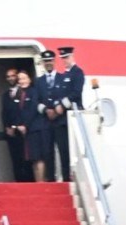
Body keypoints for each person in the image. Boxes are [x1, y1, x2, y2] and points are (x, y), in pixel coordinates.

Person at [46, 45, 85, 181]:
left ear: (72, 57)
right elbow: (56, 94)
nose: (65, 60)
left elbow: (76, 93)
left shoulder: (77, 73)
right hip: (61, 120)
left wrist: (62, 105)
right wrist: (57, 105)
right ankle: (66, 178)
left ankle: (73, 177)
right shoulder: (63, 76)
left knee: (73, 150)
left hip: (72, 117)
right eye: (63, 58)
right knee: (63, 151)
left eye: (67, 57)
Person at [2, 69, 36, 182]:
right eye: (8, 76)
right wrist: (8, 127)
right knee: (15, 159)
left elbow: (24, 111)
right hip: (11, 132)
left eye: (13, 76)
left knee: (26, 158)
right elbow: (4, 113)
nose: (11, 78)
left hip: (24, 130)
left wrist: (21, 125)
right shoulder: (5, 95)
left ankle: (29, 183)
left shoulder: (24, 92)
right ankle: (18, 182)